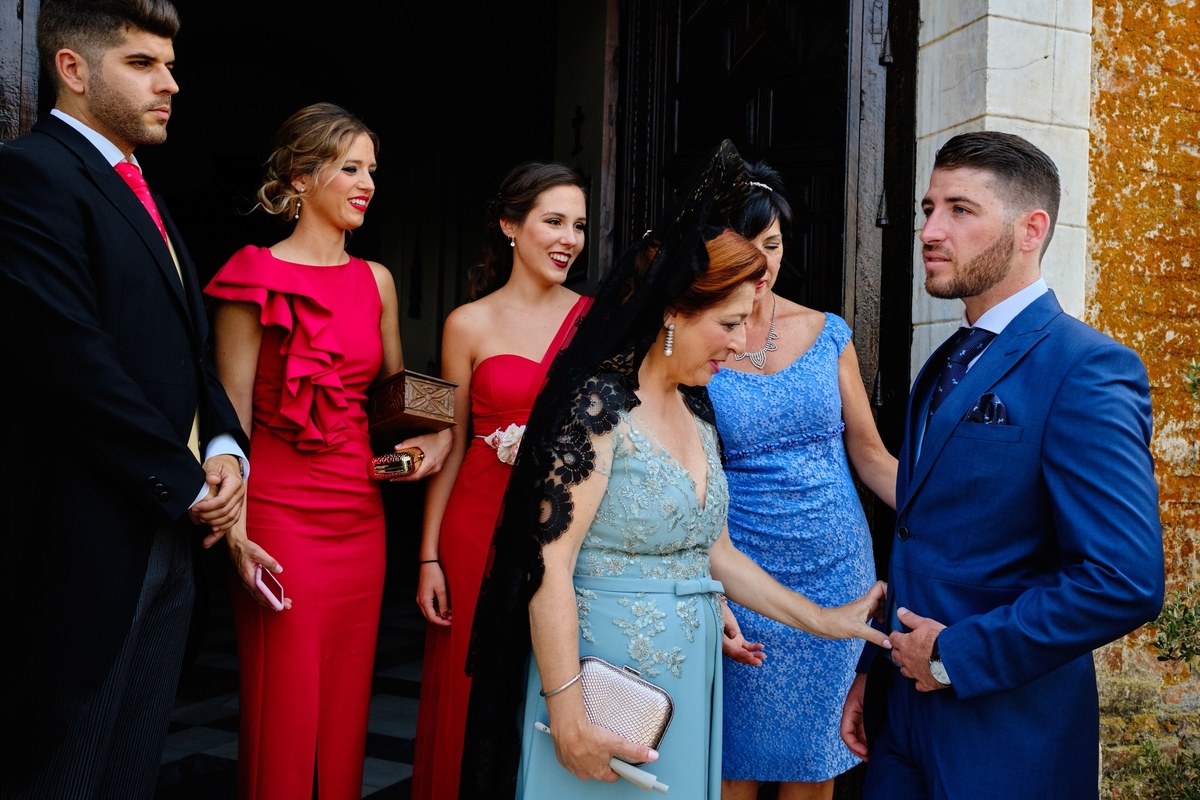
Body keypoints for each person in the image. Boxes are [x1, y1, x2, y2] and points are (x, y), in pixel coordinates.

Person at [459, 140, 891, 799]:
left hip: (689, 681)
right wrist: (568, 713)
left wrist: (821, 620)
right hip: (605, 681)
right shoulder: (597, 408)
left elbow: (718, 553)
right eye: (729, 323)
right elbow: (548, 568)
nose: (741, 343)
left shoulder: (698, 411)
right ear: (673, 312)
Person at [839, 131, 1164, 799]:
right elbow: (923, 530)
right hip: (899, 725)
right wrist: (874, 669)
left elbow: (1123, 579)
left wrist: (954, 657)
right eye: (929, 208)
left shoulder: (1087, 369)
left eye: (960, 210)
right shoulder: (944, 363)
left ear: (1030, 230)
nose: (930, 231)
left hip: (1007, 736)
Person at [0, 1, 249, 796]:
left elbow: (187, 350)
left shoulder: (141, 188)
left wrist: (224, 447)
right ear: (72, 69)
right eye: (142, 64)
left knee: (132, 768)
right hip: (86, 536)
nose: (169, 84)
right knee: (68, 770)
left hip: (170, 529)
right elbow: (68, 361)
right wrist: (185, 485)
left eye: (170, 66)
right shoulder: (29, 174)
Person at [205, 103, 450, 800]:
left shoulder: (376, 280)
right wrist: (235, 535)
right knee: (282, 709)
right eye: (350, 168)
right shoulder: (252, 276)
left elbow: (395, 403)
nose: (368, 184)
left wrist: (437, 436)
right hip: (277, 518)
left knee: (347, 704)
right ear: (300, 177)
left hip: (361, 520)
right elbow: (229, 422)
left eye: (372, 170)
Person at [708, 163, 897, 800]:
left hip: (837, 568)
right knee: (732, 767)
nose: (762, 262)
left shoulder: (827, 332)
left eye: (773, 244)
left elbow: (870, 456)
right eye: (747, 245)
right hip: (742, 571)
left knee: (814, 770)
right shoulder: (697, 339)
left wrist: (953, 513)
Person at [411, 163, 592, 799]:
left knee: (549, 685)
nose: (569, 239)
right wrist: (429, 555)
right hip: (476, 528)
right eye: (554, 221)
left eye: (579, 226)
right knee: (470, 692)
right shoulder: (467, 323)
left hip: (566, 531)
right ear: (510, 226)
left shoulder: (597, 323)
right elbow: (450, 443)